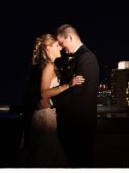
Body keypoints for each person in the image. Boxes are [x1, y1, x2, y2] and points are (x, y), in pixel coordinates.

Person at [20, 34, 85, 167]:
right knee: (42, 160)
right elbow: (43, 93)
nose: (60, 48)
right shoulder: (49, 65)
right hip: (45, 119)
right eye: (56, 46)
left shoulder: (42, 66)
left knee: (58, 160)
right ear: (48, 48)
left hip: (41, 116)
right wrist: (69, 85)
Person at [54, 24, 100, 167]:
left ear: (69, 37)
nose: (61, 48)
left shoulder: (86, 58)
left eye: (61, 43)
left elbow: (77, 92)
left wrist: (51, 103)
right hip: (72, 125)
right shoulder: (76, 58)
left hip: (79, 127)